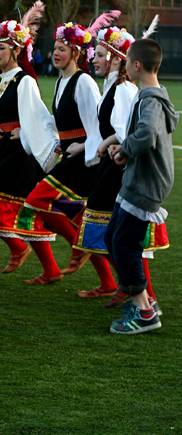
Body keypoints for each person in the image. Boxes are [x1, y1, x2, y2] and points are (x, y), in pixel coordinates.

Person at [71, 26, 170, 300]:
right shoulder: (127, 90)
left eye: (103, 54)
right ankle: (131, 292)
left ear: (124, 61)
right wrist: (107, 145)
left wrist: (119, 149)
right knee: (115, 237)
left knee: (122, 241)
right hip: (124, 170)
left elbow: (140, 133)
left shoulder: (134, 92)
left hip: (131, 175)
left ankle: (143, 300)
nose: (95, 59)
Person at [0, 6, 63, 274]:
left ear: (17, 51)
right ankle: (51, 270)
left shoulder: (24, 80)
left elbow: (39, 117)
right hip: (8, 150)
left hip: (22, 155)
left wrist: (25, 132)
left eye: (2, 48)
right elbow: (4, 115)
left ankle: (19, 249)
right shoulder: (2, 80)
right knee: (26, 211)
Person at [21, 20, 104, 285]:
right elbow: (67, 125)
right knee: (75, 217)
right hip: (70, 156)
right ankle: (109, 283)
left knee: (36, 200)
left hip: (85, 162)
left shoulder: (85, 83)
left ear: (77, 54)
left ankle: (78, 247)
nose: (56, 53)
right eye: (55, 48)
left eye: (63, 49)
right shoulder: (60, 82)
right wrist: (61, 141)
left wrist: (81, 146)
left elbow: (98, 128)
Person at [107, 38, 177, 334]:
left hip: (146, 184)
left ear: (136, 65)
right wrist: (124, 148)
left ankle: (145, 312)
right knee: (112, 236)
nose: (124, 66)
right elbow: (141, 134)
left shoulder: (150, 99)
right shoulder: (149, 94)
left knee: (124, 244)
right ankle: (145, 300)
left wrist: (125, 151)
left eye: (126, 62)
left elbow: (146, 133)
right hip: (136, 179)